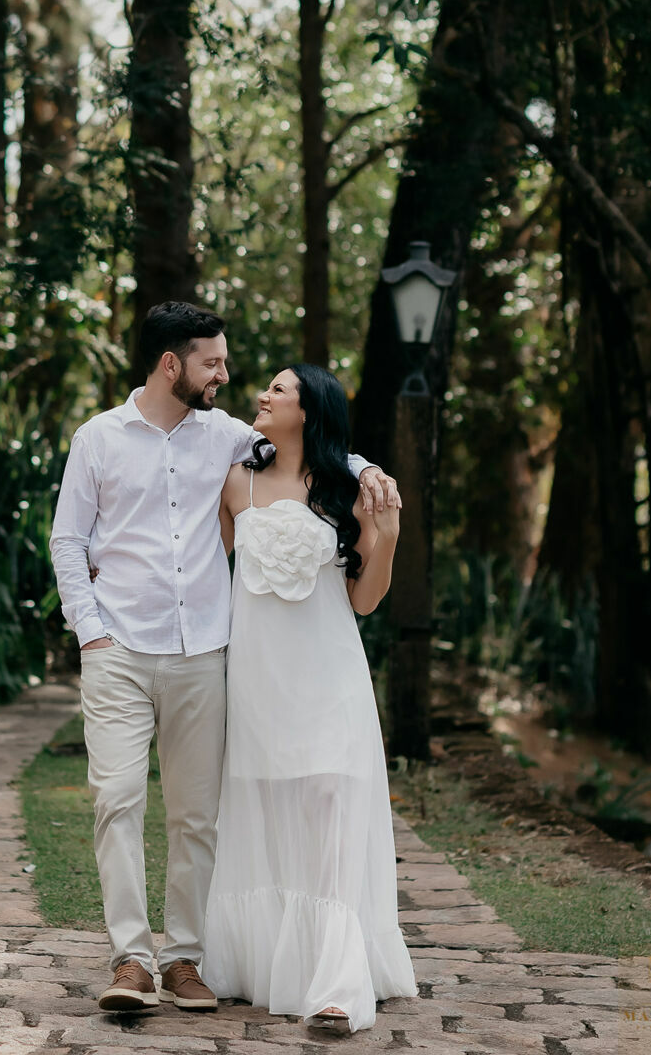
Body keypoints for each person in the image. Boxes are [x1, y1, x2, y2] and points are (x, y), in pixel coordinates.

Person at [49, 302, 396, 1014]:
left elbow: (321, 448)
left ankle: (183, 959)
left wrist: (371, 472)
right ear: (172, 364)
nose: (226, 376)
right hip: (118, 646)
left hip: (202, 651)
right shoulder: (98, 439)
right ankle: (130, 961)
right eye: (213, 363)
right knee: (116, 801)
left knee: (197, 816)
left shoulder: (228, 439)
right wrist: (90, 630)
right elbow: (67, 540)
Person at [201, 363, 418, 1034]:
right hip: (260, 681)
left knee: (329, 806)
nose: (262, 395)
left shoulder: (350, 487)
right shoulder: (236, 480)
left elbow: (365, 598)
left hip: (330, 677)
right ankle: (269, 961)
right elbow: (215, 572)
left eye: (279, 388)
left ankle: (335, 982)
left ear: (310, 408)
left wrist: (387, 539)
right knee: (271, 812)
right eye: (264, 386)